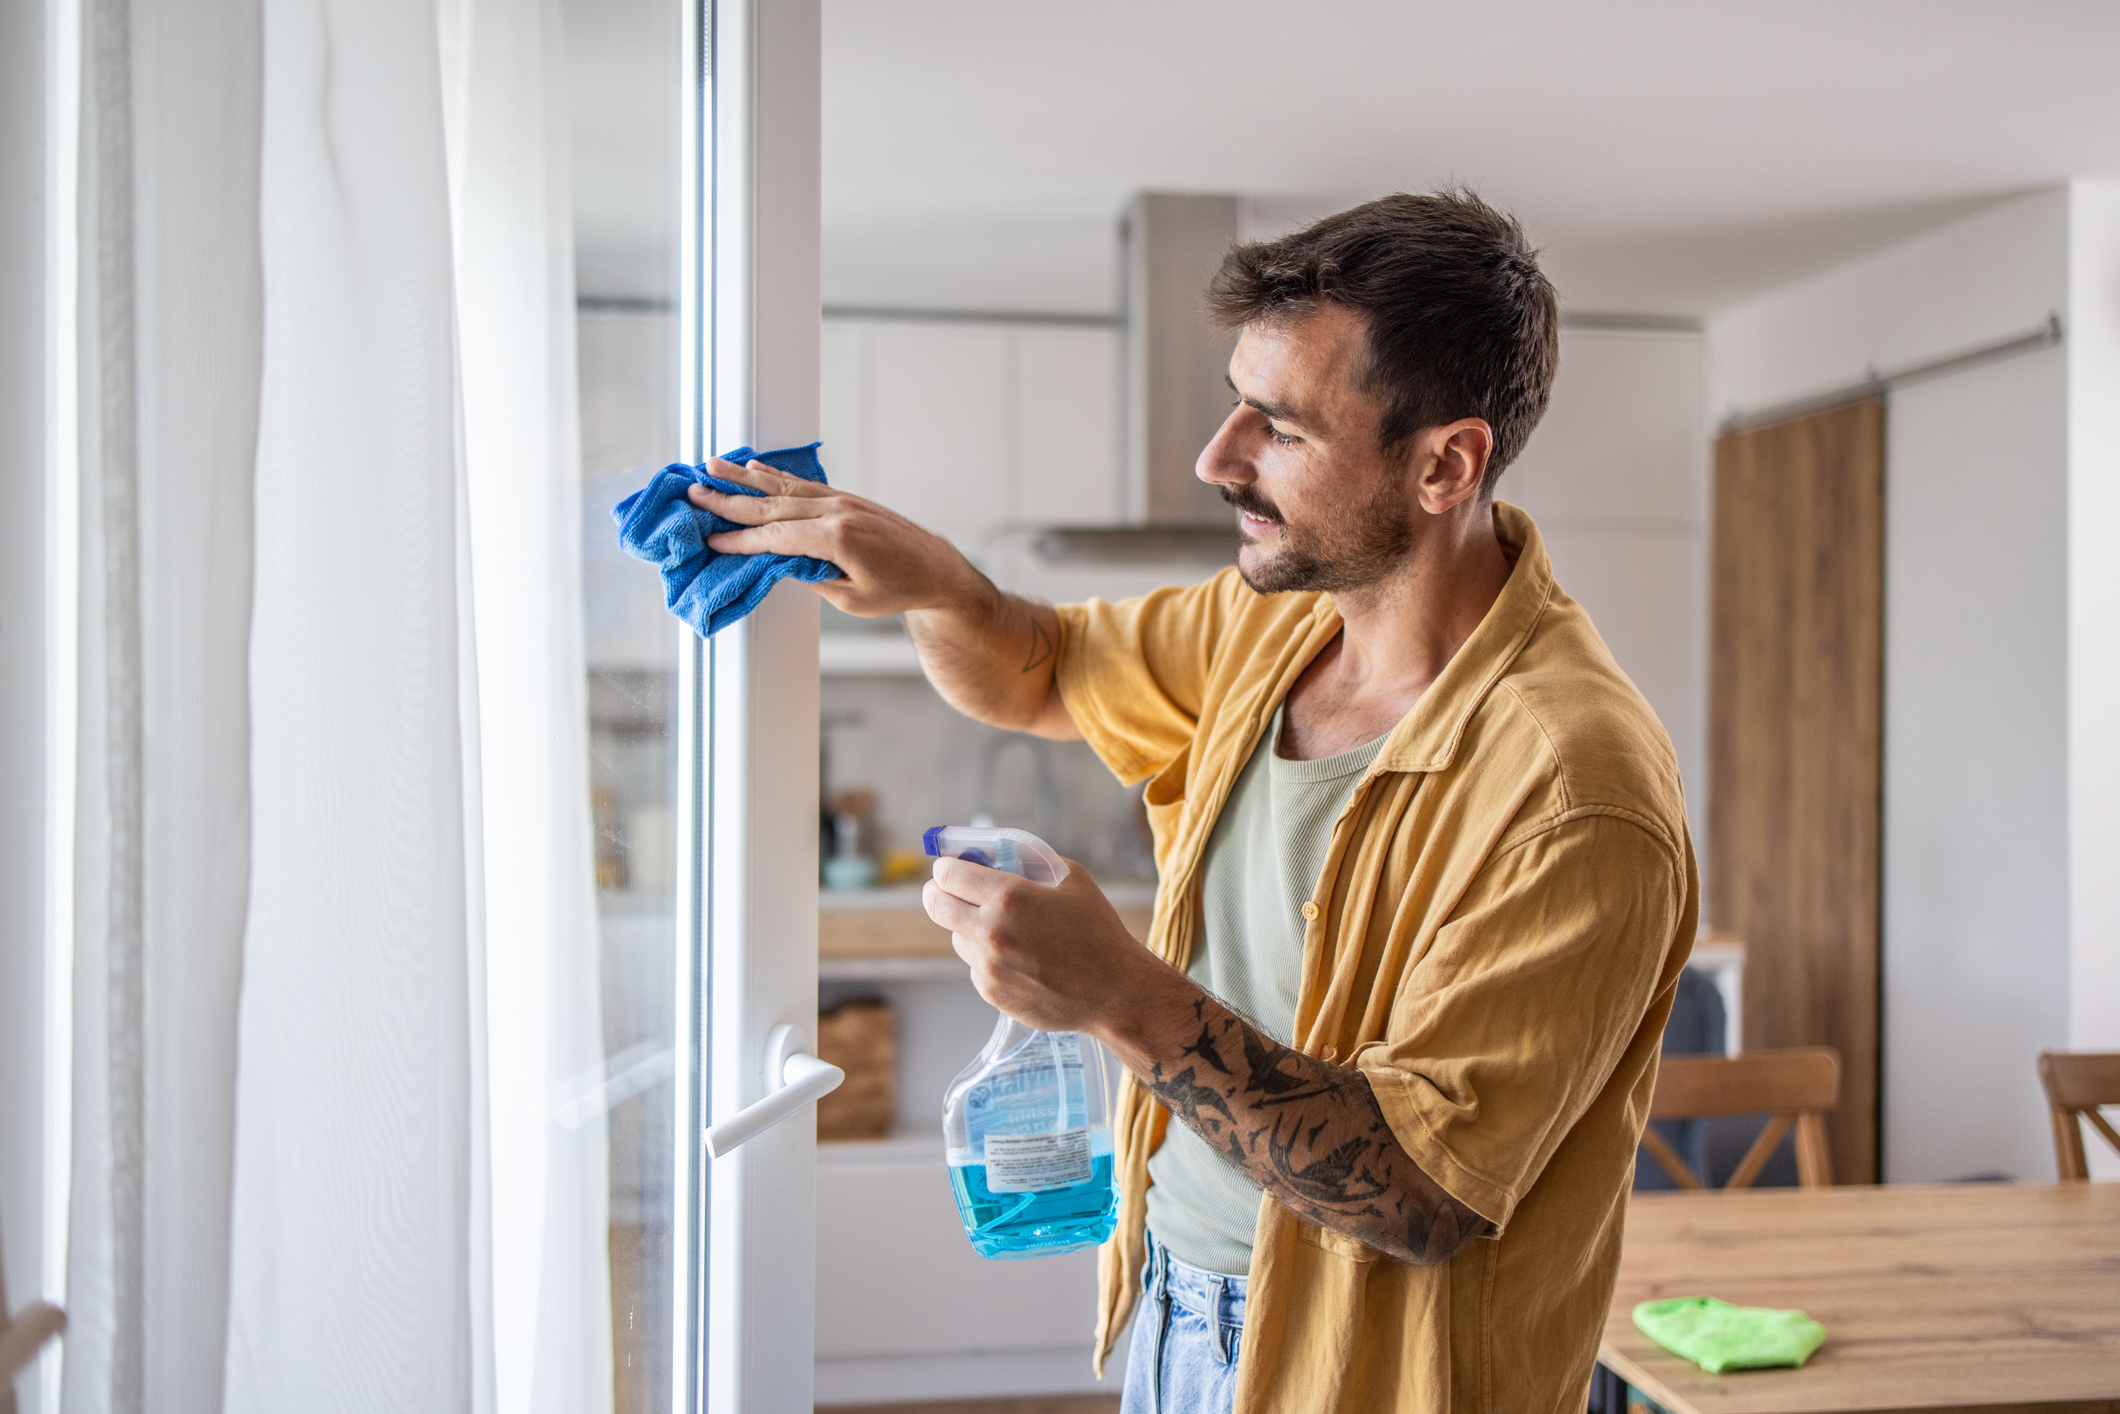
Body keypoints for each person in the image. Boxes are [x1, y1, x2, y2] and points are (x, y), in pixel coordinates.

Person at [691, 189, 1698, 1414]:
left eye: (1276, 427)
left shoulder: (1568, 786)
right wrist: (934, 584)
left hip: (1366, 1376)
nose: (1215, 458)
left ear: (1444, 463)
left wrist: (1116, 992)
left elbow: (1422, 1196)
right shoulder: (1268, 626)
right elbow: (1034, 663)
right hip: (1179, 1308)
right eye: (1235, 403)